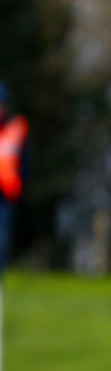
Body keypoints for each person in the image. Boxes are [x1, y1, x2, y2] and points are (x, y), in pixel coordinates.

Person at [0, 82, 30, 276]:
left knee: (2, 239)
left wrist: (22, 185)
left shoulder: (16, 128)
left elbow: (26, 161)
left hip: (6, 195)